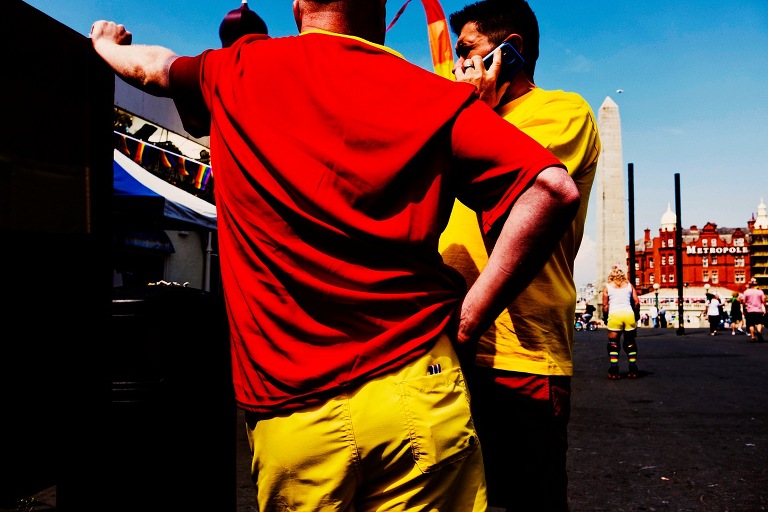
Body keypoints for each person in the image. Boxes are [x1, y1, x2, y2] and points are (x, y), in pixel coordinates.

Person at [90, 1, 581, 510]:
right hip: (419, 386)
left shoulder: (238, 67)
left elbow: (152, 68)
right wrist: (471, 318)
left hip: (292, 408)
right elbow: (551, 190)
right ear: (381, 7)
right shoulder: (438, 97)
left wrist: (106, 44)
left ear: (300, 6)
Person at [437, 1, 600, 510]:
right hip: (442, 349)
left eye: (467, 51)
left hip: (521, 352)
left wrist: (464, 109)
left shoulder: (563, 111)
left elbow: (505, 189)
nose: (457, 65)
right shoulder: (467, 118)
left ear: (512, 51)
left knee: (527, 498)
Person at [602, 266, 640, 380]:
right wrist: (636, 314)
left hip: (615, 315)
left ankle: (614, 369)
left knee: (613, 343)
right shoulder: (629, 286)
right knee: (630, 342)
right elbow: (637, 302)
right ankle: (632, 367)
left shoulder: (607, 287)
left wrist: (605, 317)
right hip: (628, 315)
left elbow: (605, 305)